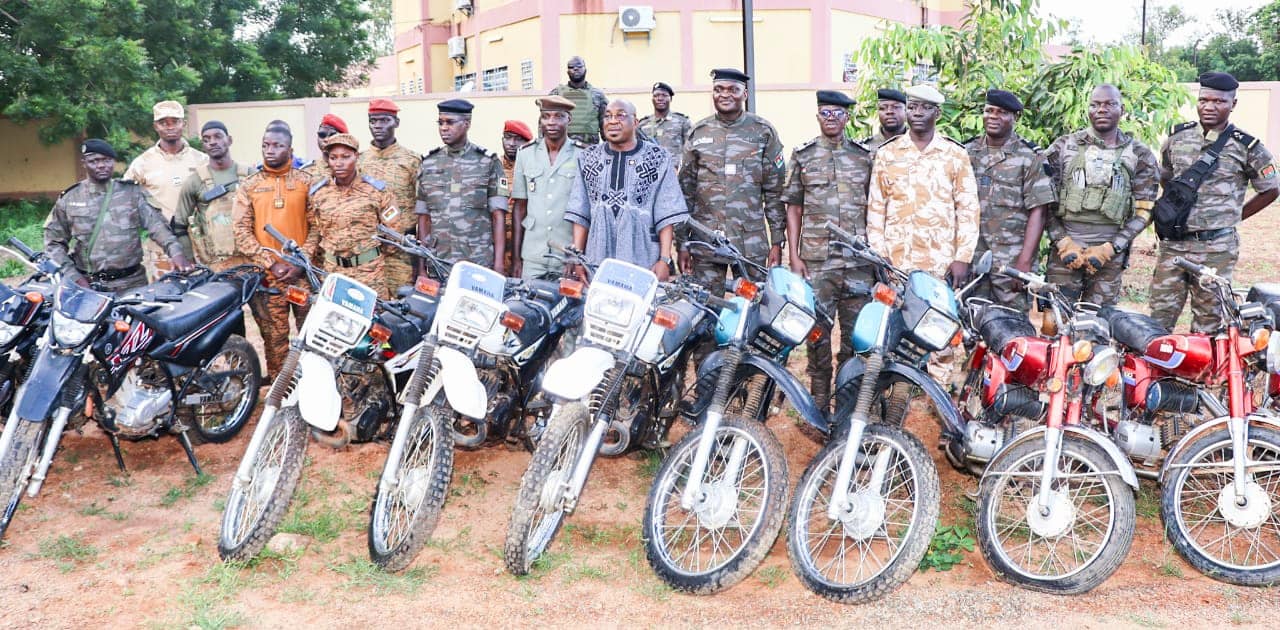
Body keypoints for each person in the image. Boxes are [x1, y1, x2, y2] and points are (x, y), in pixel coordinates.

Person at [1149, 72, 1278, 331]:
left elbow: (1271, 189)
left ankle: (1203, 359)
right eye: (1204, 100)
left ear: (1233, 104)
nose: (1209, 106)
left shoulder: (1247, 147)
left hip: (1216, 248)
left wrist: (1235, 215)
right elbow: (1166, 176)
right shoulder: (1177, 138)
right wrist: (1177, 208)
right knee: (1158, 318)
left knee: (1209, 321)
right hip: (1174, 245)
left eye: (1218, 101)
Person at [784, 90, 875, 413]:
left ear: (847, 117)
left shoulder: (864, 157)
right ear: (817, 116)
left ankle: (848, 399)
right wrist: (794, 255)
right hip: (817, 261)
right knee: (817, 331)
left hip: (857, 263)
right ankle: (819, 398)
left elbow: (876, 206)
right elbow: (793, 207)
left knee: (855, 335)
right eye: (825, 112)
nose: (831, 118)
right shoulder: (803, 155)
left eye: (837, 113)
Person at [1043, 84, 1159, 308]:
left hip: (1109, 259)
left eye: (1109, 104)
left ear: (1122, 109)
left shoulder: (1139, 154)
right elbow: (1043, 202)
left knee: (1099, 321)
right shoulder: (1064, 146)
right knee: (1054, 321)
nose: (1101, 110)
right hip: (1064, 254)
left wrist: (1110, 249)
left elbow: (1145, 212)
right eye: (1095, 105)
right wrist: (1063, 242)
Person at [679, 68, 786, 290]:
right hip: (706, 239)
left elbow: (774, 192)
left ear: (744, 94)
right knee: (705, 303)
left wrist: (777, 241)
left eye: (732, 90)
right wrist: (681, 242)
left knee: (754, 301)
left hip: (750, 242)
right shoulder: (698, 133)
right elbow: (685, 192)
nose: (725, 95)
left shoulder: (763, 132)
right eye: (719, 89)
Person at [867, 84, 980, 283]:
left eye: (926, 108)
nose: (917, 113)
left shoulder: (955, 154)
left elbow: (968, 209)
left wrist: (963, 257)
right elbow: (876, 209)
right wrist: (880, 254)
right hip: (896, 263)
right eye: (912, 107)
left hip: (941, 263)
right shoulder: (887, 153)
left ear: (938, 113)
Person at [45, 139, 191, 293]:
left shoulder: (132, 193)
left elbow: (158, 227)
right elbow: (53, 243)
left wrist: (176, 253)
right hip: (89, 285)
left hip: (132, 283)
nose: (101, 165)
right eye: (94, 161)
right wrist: (74, 277)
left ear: (113, 162)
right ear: (84, 163)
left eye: (106, 160)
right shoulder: (70, 198)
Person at [565, 99, 687, 276]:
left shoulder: (658, 158)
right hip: (597, 256)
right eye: (608, 116)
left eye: (621, 115)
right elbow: (580, 213)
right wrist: (578, 259)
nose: (613, 121)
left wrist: (664, 259)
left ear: (635, 122)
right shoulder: (588, 158)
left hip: (643, 257)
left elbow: (666, 213)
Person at [963, 90, 1057, 311]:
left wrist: (1024, 262)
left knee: (1012, 321)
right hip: (972, 256)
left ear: (1016, 117)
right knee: (970, 318)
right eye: (989, 111)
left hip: (1011, 260)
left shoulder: (1030, 157)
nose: (993, 117)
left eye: (1002, 112)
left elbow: (1039, 211)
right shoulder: (966, 152)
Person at [233, 124, 314, 376]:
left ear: (290, 149)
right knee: (275, 341)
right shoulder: (250, 185)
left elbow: (318, 227)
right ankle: (281, 390)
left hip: (302, 277)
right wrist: (271, 263)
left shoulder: (306, 182)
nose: (270, 150)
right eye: (266, 145)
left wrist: (301, 262)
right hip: (268, 278)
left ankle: (311, 386)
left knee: (311, 336)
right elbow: (241, 231)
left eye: (278, 145)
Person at [415, 99, 508, 275]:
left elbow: (498, 217)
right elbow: (423, 219)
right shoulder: (428, 163)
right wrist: (421, 268)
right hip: (439, 261)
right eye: (440, 123)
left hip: (477, 261)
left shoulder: (487, 162)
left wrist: (499, 265)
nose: (444, 128)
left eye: (450, 122)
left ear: (467, 124)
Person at [123, 100, 208, 279]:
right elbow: (124, 200)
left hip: (200, 244)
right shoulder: (142, 164)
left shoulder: (201, 160)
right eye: (163, 123)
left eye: (174, 121)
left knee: (203, 291)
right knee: (166, 293)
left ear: (183, 124)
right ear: (155, 126)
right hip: (161, 247)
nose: (169, 127)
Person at [306, 133, 398, 299]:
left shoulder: (376, 190)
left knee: (375, 314)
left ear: (356, 156)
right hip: (333, 272)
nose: (339, 163)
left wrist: (371, 256)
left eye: (345, 157)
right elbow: (316, 230)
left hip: (369, 272)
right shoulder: (319, 193)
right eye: (333, 158)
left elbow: (393, 234)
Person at [511, 96, 584, 280]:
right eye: (546, 116)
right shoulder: (526, 154)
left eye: (558, 116)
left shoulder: (582, 154)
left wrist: (579, 255)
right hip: (533, 256)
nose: (551, 122)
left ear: (569, 119)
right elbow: (519, 208)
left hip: (568, 255)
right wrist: (516, 259)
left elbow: (587, 210)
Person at [173, 121, 255, 271]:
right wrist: (189, 260)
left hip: (253, 261)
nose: (212, 142)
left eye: (218, 137)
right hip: (215, 266)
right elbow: (179, 225)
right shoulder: (195, 181)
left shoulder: (251, 175)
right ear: (203, 145)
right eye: (206, 139)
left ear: (229, 140)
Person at [357, 99, 420, 292]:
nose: (378, 126)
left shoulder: (411, 161)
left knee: (402, 302)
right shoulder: (359, 161)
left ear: (396, 123)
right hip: (366, 250)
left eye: (384, 120)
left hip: (402, 250)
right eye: (373, 121)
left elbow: (423, 208)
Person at [500, 119, 534, 276]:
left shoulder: (533, 169)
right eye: (508, 138)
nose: (512, 144)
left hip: (524, 247)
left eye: (518, 139)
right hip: (497, 247)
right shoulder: (493, 167)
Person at [549, 56, 608, 145]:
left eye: (579, 66)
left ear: (585, 70)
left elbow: (606, 125)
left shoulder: (598, 95)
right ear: (567, 72)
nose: (575, 69)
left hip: (590, 148)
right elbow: (544, 123)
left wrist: (611, 147)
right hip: (562, 147)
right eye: (571, 67)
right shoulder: (556, 94)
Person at [638, 82, 691, 167]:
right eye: (656, 95)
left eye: (664, 95)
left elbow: (690, 150)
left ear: (670, 99)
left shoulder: (682, 122)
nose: (660, 98)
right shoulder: (643, 124)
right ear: (652, 99)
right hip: (650, 170)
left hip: (674, 170)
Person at [302, 114, 349, 180]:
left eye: (332, 135)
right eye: (322, 135)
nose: (326, 139)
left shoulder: (356, 168)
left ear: (344, 138)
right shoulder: (306, 171)